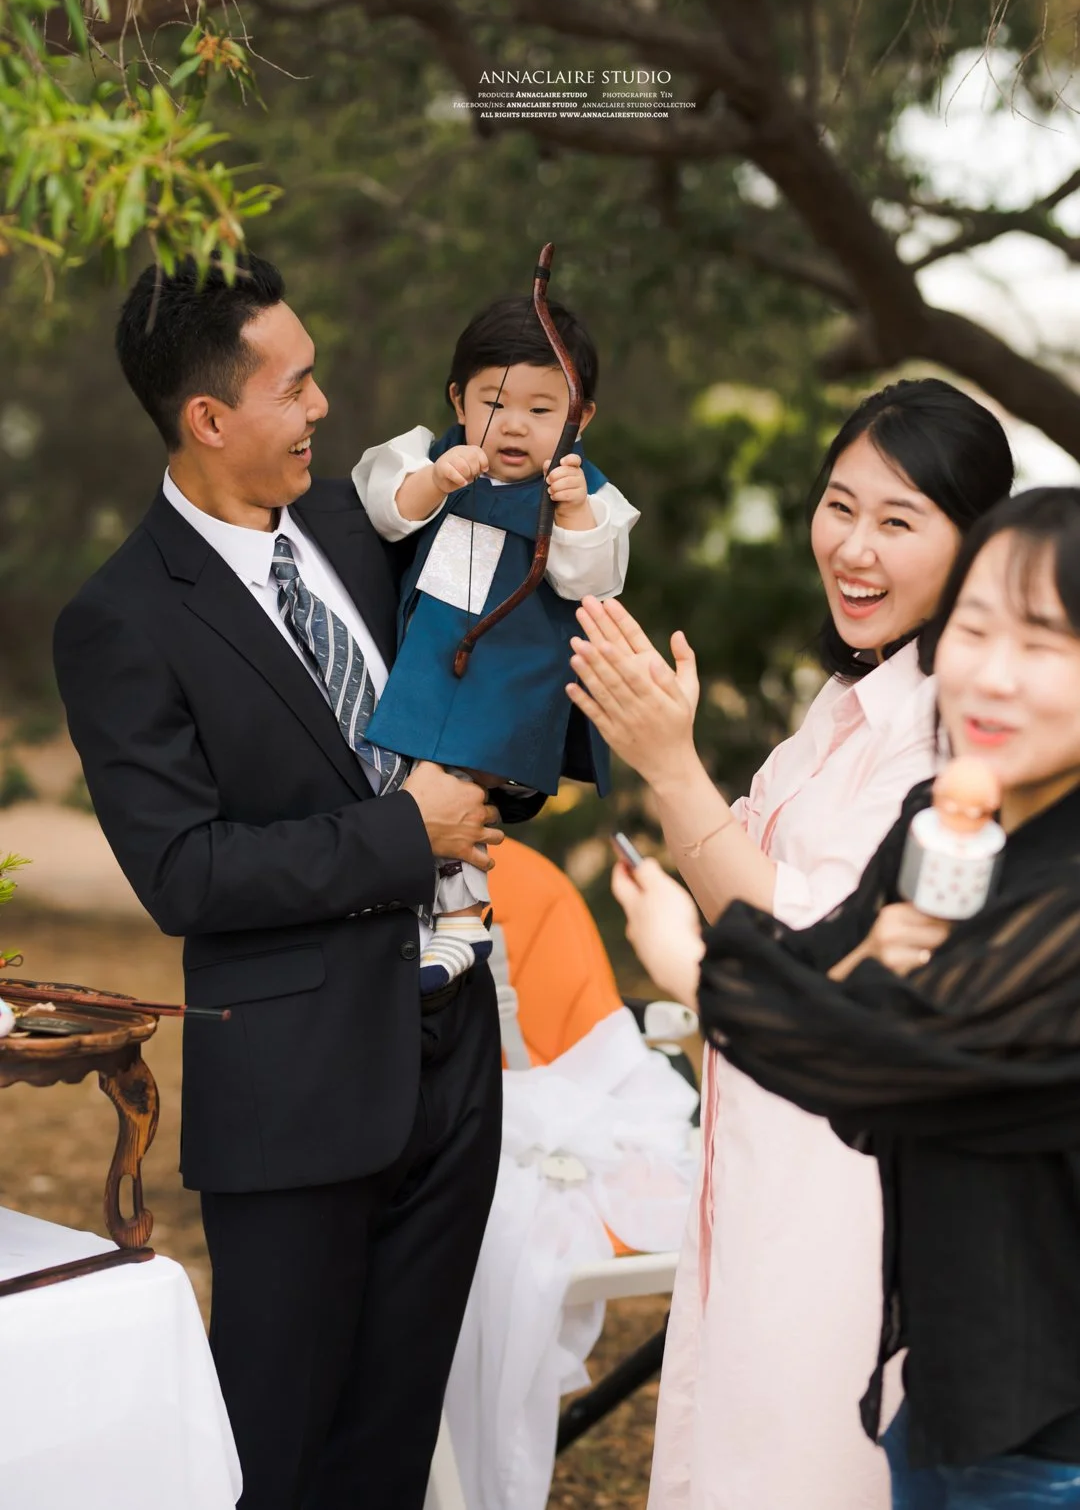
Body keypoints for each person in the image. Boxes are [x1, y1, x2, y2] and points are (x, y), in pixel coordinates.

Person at [52, 255, 541, 1510]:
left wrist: (501, 779)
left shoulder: (350, 526)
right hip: (296, 1084)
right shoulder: (120, 619)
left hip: (450, 1040)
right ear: (209, 418)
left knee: (391, 1435)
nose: (325, 407)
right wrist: (406, 831)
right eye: (299, 383)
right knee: (273, 1441)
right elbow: (183, 871)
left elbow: (462, 682)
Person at [566, 379, 1015, 1510]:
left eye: (900, 521)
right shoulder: (844, 702)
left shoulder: (949, 741)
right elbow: (757, 898)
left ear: (976, 550)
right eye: (839, 505)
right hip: (764, 1148)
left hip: (850, 1177)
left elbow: (816, 953)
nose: (854, 548)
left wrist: (673, 768)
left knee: (809, 1452)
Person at [353, 294, 638, 989]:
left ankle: (462, 914)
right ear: (458, 399)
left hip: (513, 669)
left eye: (543, 411)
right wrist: (432, 482)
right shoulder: (427, 455)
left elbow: (592, 579)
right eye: (494, 403)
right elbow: (383, 512)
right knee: (406, 778)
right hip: (431, 654)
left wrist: (571, 512)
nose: (514, 426)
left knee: (465, 782)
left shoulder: (590, 495)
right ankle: (421, 912)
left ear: (581, 417)